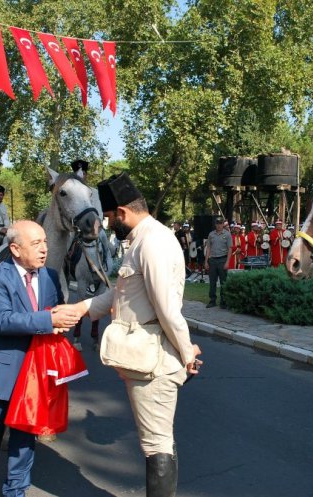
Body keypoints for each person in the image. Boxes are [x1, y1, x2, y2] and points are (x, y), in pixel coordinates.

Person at [64, 172, 202, 497]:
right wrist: (81, 309)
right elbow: (122, 295)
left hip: (153, 360)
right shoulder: (140, 239)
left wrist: (187, 353)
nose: (109, 225)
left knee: (157, 444)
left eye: (110, 217)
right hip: (143, 357)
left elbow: (167, 309)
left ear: (122, 212)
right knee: (155, 440)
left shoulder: (152, 242)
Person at [0, 220, 81, 497]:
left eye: (45, 242)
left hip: (36, 373)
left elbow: (51, 317)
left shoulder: (51, 276)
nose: (44, 249)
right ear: (15, 249)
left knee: (25, 439)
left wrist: (60, 323)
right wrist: (48, 319)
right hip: (1, 373)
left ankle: (16, 490)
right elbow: (2, 321)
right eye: (36, 244)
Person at [204, 216, 232, 308]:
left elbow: (230, 249)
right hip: (212, 260)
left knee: (223, 282)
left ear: (223, 224)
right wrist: (206, 261)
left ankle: (223, 301)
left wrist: (227, 262)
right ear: (215, 224)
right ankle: (212, 300)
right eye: (217, 223)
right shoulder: (211, 234)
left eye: (220, 223)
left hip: (222, 260)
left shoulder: (227, 234)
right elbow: (208, 248)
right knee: (212, 281)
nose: (219, 225)